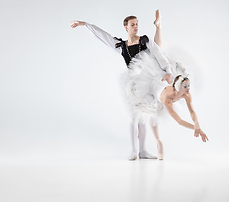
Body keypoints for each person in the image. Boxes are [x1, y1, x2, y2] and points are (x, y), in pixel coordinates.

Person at [70, 11, 172, 160]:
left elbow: (158, 53)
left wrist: (168, 70)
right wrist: (85, 24)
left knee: (145, 117)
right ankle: (134, 150)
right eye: (132, 24)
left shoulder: (145, 41)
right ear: (126, 27)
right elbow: (103, 36)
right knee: (134, 118)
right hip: (134, 86)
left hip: (149, 82)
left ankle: (143, 151)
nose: (136, 26)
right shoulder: (121, 46)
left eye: (137, 24)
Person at [121, 13, 209, 160]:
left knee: (159, 52)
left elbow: (192, 111)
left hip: (159, 79)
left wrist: (197, 124)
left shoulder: (186, 93)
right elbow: (179, 121)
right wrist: (196, 129)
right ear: (178, 87)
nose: (188, 90)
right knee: (150, 116)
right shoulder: (167, 100)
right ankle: (156, 141)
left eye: (188, 86)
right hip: (149, 82)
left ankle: (159, 26)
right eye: (186, 87)